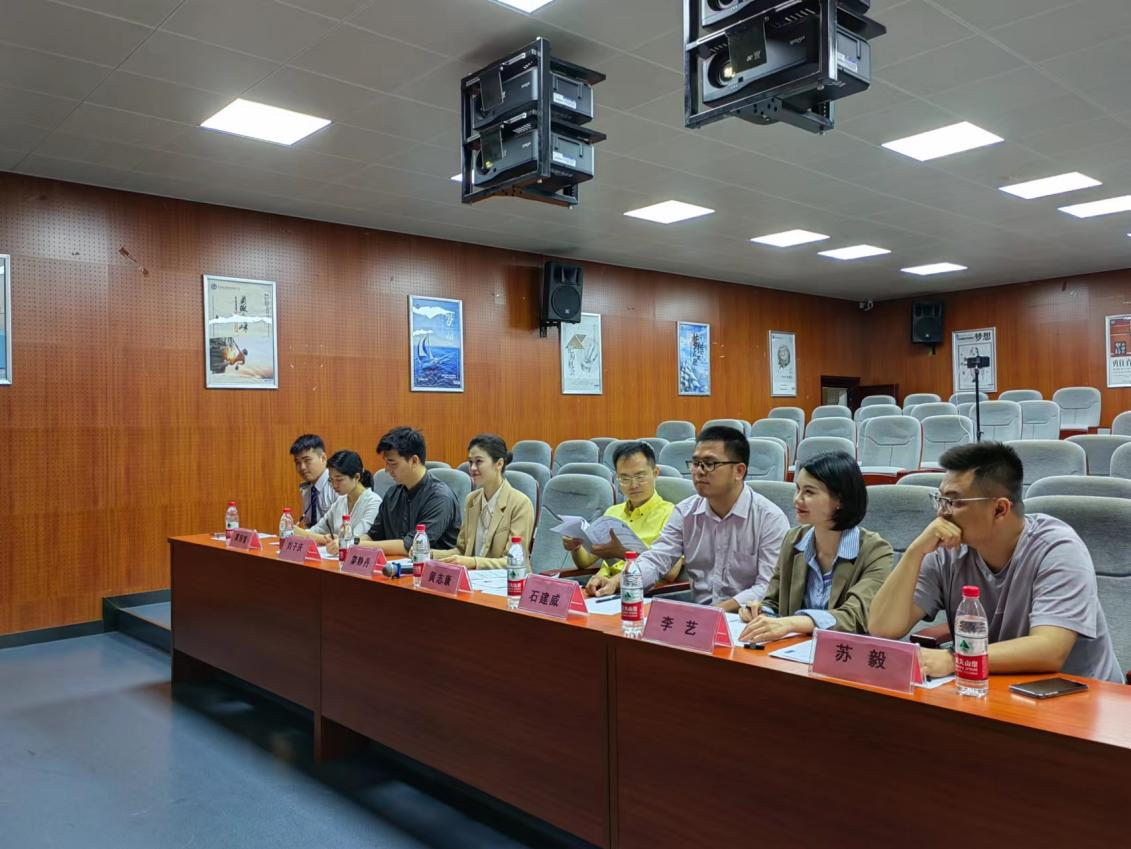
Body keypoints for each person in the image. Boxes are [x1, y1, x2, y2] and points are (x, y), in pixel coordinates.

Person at [869, 442, 1122, 682]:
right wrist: (915, 552)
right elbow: (883, 628)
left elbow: (1050, 649)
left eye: (954, 502)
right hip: (994, 690)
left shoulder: (1057, 549)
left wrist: (955, 659)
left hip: (1080, 698)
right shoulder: (946, 550)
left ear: (1000, 509)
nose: (941, 513)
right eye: (940, 499)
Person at [587, 425, 789, 609]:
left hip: (749, 619)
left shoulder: (769, 519)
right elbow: (656, 560)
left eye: (709, 464)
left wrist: (717, 611)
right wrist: (617, 581)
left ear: (739, 471)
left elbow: (767, 586)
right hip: (699, 615)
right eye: (695, 463)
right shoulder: (685, 512)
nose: (698, 472)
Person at [738, 451, 893, 643]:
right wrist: (759, 611)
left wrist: (792, 623)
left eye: (809, 492)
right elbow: (774, 602)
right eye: (798, 489)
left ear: (840, 500)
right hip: (792, 649)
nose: (797, 499)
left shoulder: (876, 551)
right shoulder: (793, 540)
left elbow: (856, 617)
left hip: (843, 651)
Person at [561, 441, 678, 596]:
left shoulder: (672, 514)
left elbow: (671, 573)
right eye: (625, 478)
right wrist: (576, 547)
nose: (633, 485)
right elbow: (585, 562)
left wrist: (621, 552)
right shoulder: (613, 512)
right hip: (601, 590)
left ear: (655, 473)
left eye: (640, 476)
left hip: (639, 594)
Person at [432, 435, 535, 569]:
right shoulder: (471, 500)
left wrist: (474, 563)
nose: (472, 468)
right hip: (474, 577)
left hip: (508, 579)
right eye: (470, 462)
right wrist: (431, 554)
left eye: (479, 461)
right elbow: (462, 551)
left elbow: (513, 561)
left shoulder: (520, 504)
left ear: (499, 464)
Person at [358, 426, 460, 555]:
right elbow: (373, 535)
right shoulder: (392, 494)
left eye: (392, 463)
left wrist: (358, 544)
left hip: (431, 565)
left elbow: (411, 546)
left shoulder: (440, 497)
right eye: (386, 463)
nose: (387, 470)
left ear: (414, 460)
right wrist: (350, 542)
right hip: (395, 564)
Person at [294, 450, 382, 555]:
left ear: (357, 477)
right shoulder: (341, 500)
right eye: (331, 480)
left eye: (339, 480)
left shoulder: (374, 502)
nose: (334, 485)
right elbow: (318, 529)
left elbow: (357, 540)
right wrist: (313, 535)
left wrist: (304, 534)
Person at [291, 434, 335, 528]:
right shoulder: (306, 489)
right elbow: (308, 524)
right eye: (298, 462)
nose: (302, 467)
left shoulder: (336, 485)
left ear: (323, 458)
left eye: (307, 460)